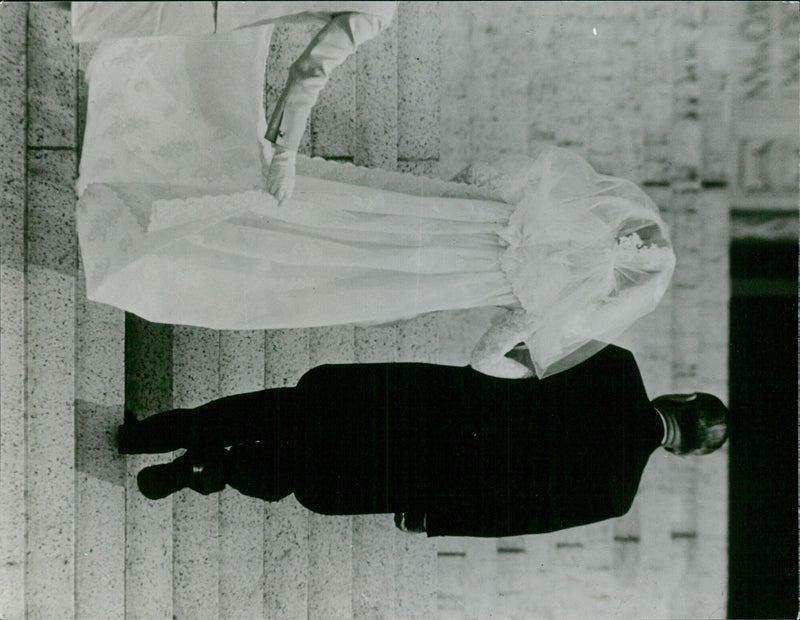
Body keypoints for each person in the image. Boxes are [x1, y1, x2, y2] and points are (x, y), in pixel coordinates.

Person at [73, 4, 676, 379]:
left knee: (308, 196)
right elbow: (484, 356)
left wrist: (476, 210)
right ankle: (170, 228)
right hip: (409, 274)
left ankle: (180, 184)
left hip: (411, 211)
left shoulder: (539, 211)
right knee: (305, 263)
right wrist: (515, 367)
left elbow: (477, 178)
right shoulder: (545, 300)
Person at [117, 345, 728, 538]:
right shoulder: (615, 493)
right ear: (683, 451)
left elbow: (520, 348)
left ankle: (155, 433)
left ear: (679, 397)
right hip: (429, 473)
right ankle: (211, 474)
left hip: (425, 403)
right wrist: (433, 518)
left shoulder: (614, 365)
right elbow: (516, 520)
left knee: (287, 409)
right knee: (302, 472)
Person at [70, 1, 398, 204]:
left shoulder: (375, 9)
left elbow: (311, 71)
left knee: (90, 8)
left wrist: (285, 155)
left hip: (207, 10)